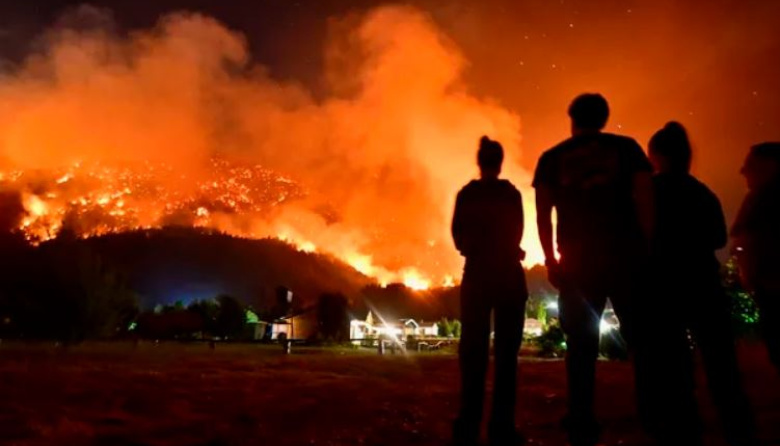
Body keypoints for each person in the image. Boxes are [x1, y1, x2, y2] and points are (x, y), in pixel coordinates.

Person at [533, 93, 654, 446]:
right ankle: (652, 412)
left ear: (572, 118)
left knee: (580, 346)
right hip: (625, 257)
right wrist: (646, 248)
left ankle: (582, 419)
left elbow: (542, 214)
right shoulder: (627, 149)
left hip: (578, 264)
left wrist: (551, 259)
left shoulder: (552, 158)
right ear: (604, 117)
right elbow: (646, 199)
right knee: (641, 340)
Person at [645, 122, 757, 446]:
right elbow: (719, 237)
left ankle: (684, 429)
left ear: (657, 156)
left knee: (674, 365)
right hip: (703, 284)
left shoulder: (649, 192)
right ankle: (738, 427)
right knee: (722, 363)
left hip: (665, 287)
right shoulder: (702, 192)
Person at [452, 136, 528, 446]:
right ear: (500, 162)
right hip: (509, 276)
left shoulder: (467, 195)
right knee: (507, 355)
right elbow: (517, 231)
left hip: (477, 276)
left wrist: (476, 249)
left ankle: (468, 425)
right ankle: (502, 427)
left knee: (473, 352)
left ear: (480, 162)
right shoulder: (511, 195)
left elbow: (458, 236)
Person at [732, 142, 780, 372]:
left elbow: (745, 237)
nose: (742, 171)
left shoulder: (760, 200)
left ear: (770, 166)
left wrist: (749, 274)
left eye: (750, 165)